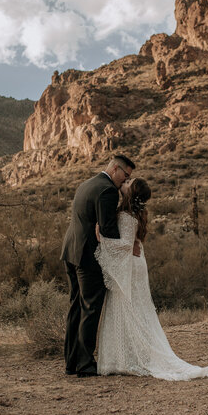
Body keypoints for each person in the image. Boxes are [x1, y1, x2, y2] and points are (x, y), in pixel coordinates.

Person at [95, 177, 208, 380]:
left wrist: (102, 239)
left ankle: (124, 358)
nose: (123, 183)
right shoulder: (137, 213)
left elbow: (125, 244)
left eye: (128, 183)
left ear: (131, 192)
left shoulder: (126, 215)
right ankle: (127, 355)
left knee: (128, 308)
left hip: (131, 266)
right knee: (136, 309)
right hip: (137, 261)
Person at [61, 155, 136, 377]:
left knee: (76, 305)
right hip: (89, 257)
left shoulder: (87, 183)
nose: (125, 181)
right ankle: (85, 364)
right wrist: (126, 244)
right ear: (115, 169)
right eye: (125, 175)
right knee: (91, 308)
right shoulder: (108, 190)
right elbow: (108, 230)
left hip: (71, 251)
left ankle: (71, 362)